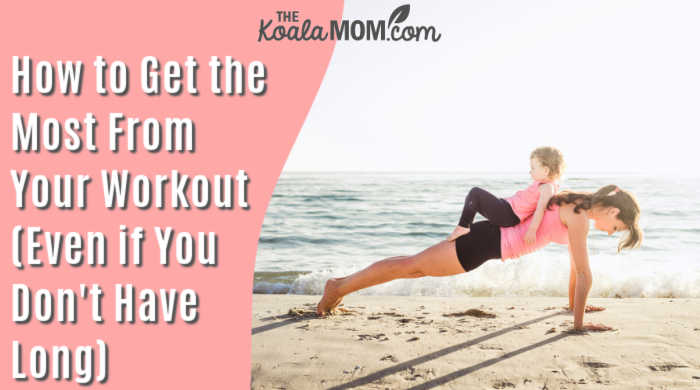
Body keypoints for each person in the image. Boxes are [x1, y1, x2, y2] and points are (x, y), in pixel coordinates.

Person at [316, 185, 642, 332]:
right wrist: (579, 325)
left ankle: (341, 286)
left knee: (413, 267)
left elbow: (575, 267)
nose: (612, 232)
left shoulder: (578, 205)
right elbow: (585, 274)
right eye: (617, 227)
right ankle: (338, 287)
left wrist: (574, 308)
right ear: (613, 211)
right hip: (484, 244)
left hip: (488, 242)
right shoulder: (580, 215)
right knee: (411, 267)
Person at [447, 146, 565, 246]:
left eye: (533, 168)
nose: (530, 171)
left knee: (475, 193)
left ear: (545, 170)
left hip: (509, 215)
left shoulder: (547, 187)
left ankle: (463, 226)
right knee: (476, 197)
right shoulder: (543, 183)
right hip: (507, 208)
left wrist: (532, 231)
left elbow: (540, 210)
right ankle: (466, 227)